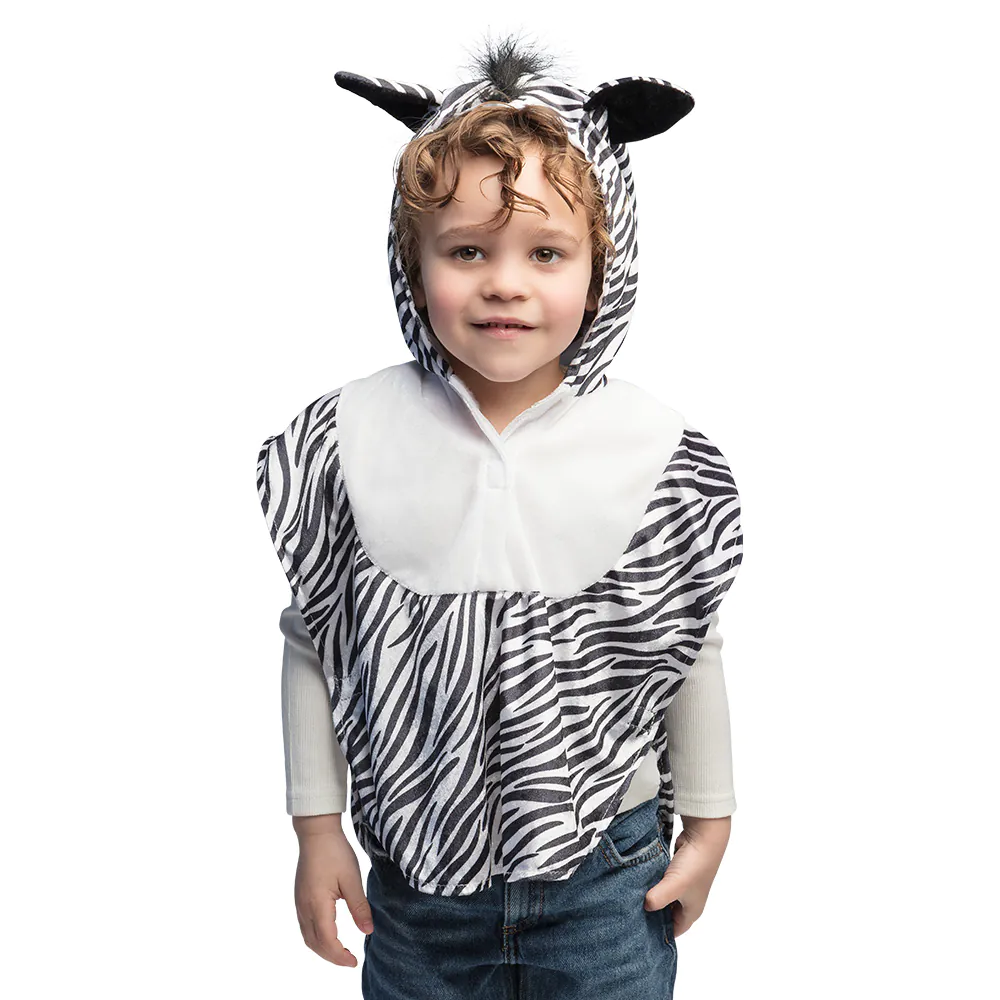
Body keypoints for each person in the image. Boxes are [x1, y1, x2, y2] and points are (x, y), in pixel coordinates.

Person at [257, 35, 743, 999]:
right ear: (412, 262)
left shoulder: (655, 451)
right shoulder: (348, 437)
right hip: (416, 881)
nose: (505, 282)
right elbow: (317, 637)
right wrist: (318, 829)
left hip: (607, 874)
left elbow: (688, 643)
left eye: (546, 252)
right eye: (467, 250)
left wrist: (711, 821)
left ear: (602, 266)